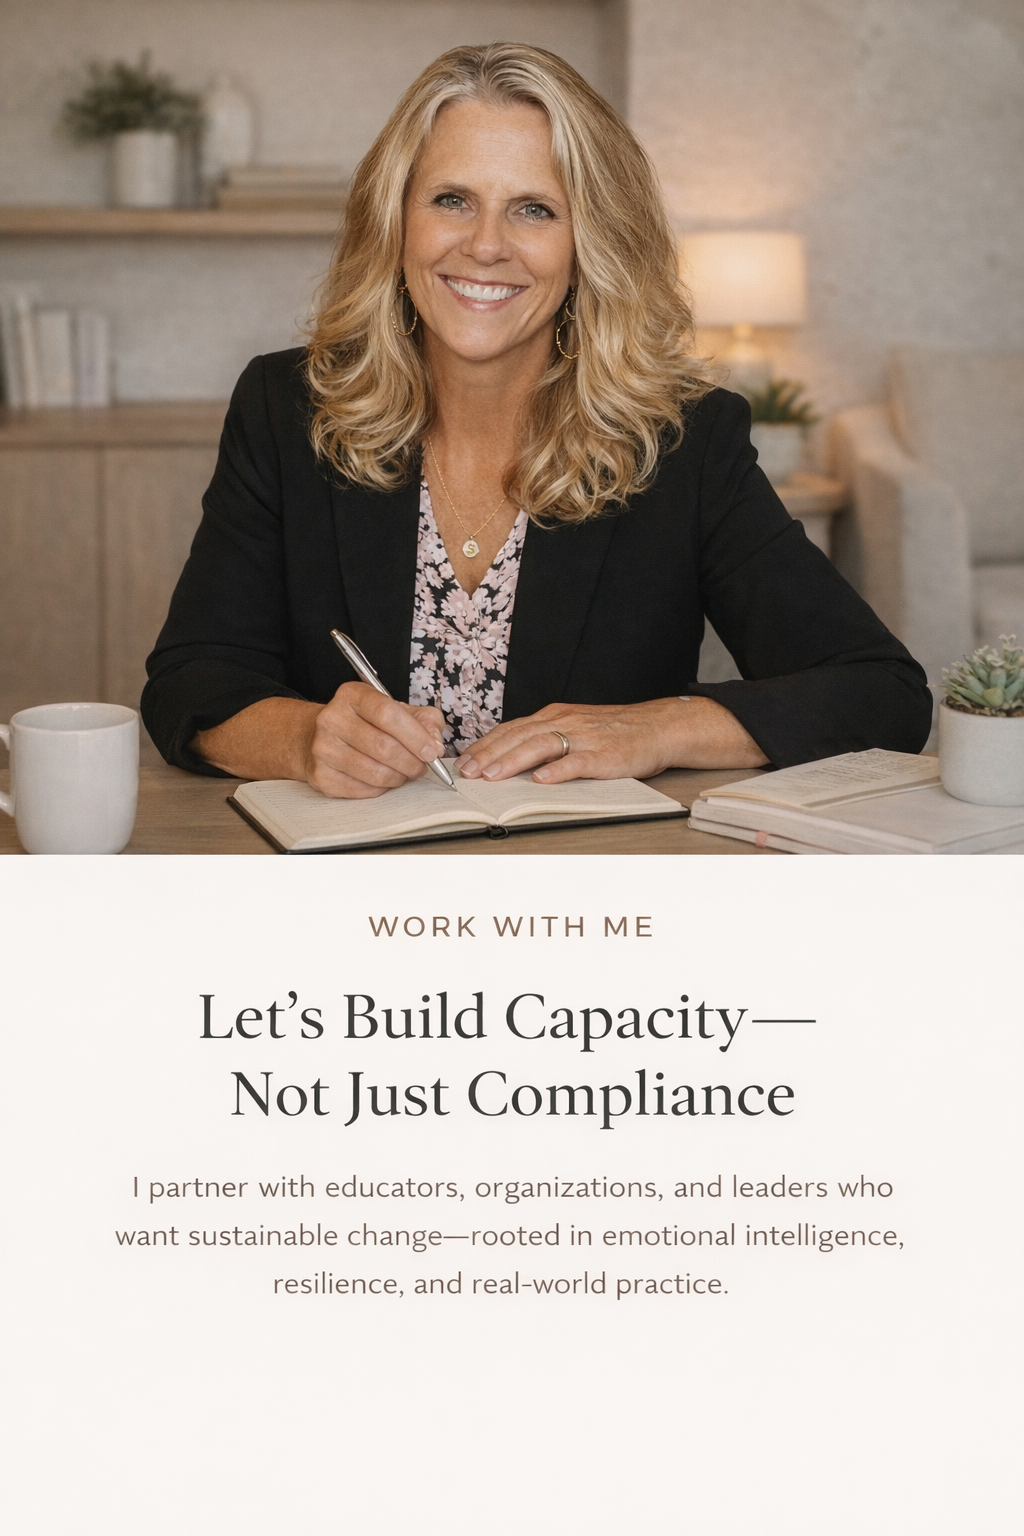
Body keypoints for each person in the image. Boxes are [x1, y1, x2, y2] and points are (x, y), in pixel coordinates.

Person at [142, 43, 931, 798]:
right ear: (397, 220)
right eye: (452, 200)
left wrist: (658, 730)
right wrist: (306, 739)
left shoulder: (684, 441)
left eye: (534, 209)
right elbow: (191, 681)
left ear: (589, 243)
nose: (486, 245)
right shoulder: (288, 408)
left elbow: (880, 692)